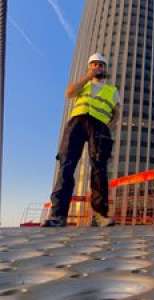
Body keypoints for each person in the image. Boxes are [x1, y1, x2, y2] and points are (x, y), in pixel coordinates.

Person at [42, 53, 120, 227]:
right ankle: (58, 215)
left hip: (99, 126)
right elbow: (69, 93)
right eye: (94, 64)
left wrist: (107, 127)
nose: (98, 67)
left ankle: (100, 215)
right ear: (89, 67)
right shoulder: (83, 84)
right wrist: (87, 78)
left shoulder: (112, 90)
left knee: (99, 168)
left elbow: (116, 112)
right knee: (66, 165)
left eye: (101, 65)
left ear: (105, 69)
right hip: (77, 122)